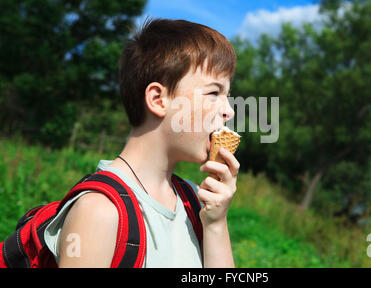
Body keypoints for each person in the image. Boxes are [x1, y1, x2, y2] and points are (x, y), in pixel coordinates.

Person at [43, 18, 240, 268]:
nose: (229, 112)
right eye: (214, 93)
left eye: (227, 96)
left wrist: (215, 224)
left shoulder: (194, 200)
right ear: (158, 99)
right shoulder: (99, 211)